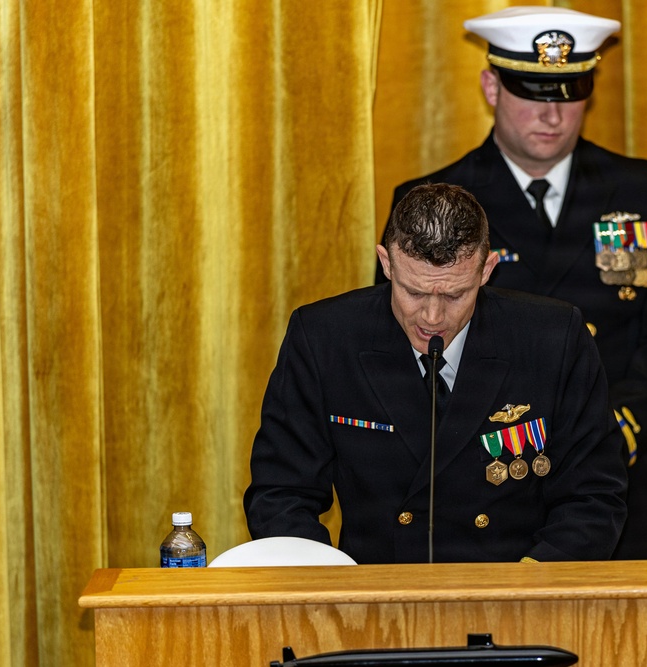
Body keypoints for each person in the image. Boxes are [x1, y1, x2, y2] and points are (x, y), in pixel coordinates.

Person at [376, 7, 647, 559]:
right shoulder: (434, 202)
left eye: (569, 93)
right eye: (532, 93)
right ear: (491, 87)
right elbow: (406, 342)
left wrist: (609, 431)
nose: (552, 115)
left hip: (620, 484)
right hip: (483, 486)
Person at [245, 183, 627, 564]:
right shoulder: (324, 338)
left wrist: (530, 584)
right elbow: (280, 494)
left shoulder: (553, 338)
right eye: (413, 292)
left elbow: (594, 494)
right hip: (376, 586)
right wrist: (331, 585)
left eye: (454, 295)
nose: (432, 318)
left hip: (513, 581)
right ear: (386, 263)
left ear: (487, 269)